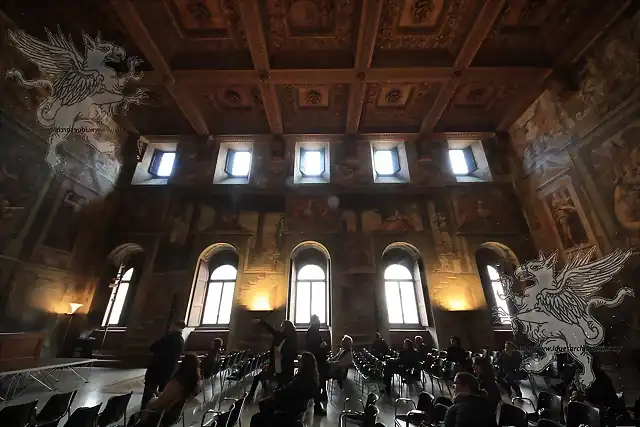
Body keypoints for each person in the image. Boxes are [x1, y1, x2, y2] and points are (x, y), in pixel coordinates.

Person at [250, 352, 319, 427]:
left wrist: (275, 393)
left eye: (300, 360)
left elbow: (287, 392)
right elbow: (289, 390)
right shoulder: (310, 379)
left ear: (305, 363)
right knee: (265, 404)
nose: (298, 361)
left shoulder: (301, 379)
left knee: (258, 414)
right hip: (297, 407)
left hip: (290, 409)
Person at [135, 353, 201, 427]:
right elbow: (174, 398)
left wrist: (152, 399)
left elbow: (158, 405)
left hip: (163, 417)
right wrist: (162, 395)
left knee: (138, 416)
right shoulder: (193, 385)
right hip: (175, 415)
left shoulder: (176, 383)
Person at [141, 320, 186, 409]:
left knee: (149, 392)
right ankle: (159, 412)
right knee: (163, 394)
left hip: (157, 369)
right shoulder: (181, 340)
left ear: (175, 326)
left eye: (171, 325)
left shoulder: (168, 338)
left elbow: (153, 347)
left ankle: (144, 411)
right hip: (169, 370)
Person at [255, 318, 297, 386]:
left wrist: (261, 322)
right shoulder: (293, 337)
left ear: (284, 327)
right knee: (283, 383)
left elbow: (271, 329)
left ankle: (252, 395)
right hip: (288, 367)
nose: (280, 327)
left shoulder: (281, 335)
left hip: (279, 363)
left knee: (259, 377)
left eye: (282, 326)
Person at [305, 314, 328, 415]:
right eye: (318, 320)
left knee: (318, 382)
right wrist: (321, 345)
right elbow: (312, 347)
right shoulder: (312, 332)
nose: (319, 322)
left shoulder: (314, 331)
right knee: (316, 383)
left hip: (317, 360)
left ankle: (319, 399)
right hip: (316, 360)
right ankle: (317, 405)